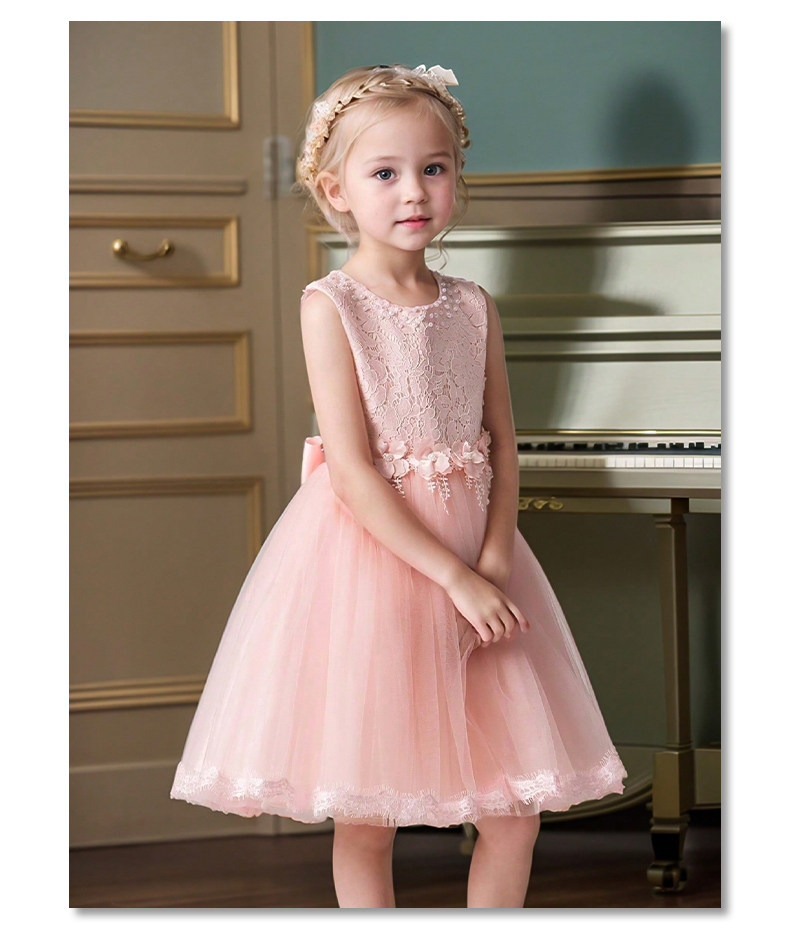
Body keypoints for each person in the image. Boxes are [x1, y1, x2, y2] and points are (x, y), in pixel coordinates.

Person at [170, 63, 627, 909]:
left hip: (482, 559)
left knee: (514, 811)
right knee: (368, 813)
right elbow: (351, 471)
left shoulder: (473, 304)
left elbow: (502, 442)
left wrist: (491, 562)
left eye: (434, 167)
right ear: (334, 190)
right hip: (375, 570)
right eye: (384, 172)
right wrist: (450, 576)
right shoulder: (331, 304)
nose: (414, 190)